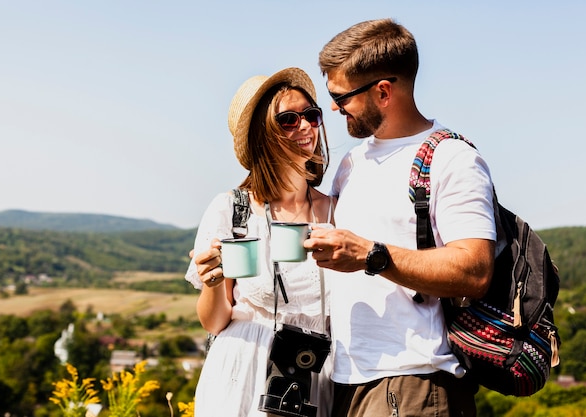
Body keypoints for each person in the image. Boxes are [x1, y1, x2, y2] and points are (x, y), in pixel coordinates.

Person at [303, 19, 497, 417]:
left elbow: (475, 270)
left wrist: (371, 254)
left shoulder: (453, 159)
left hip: (414, 380)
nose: (335, 109)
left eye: (341, 97)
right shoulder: (351, 163)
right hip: (347, 378)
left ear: (383, 92)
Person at [185, 67, 335, 417]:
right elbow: (214, 321)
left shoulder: (335, 211)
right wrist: (213, 282)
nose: (305, 127)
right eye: (288, 120)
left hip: (315, 371)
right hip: (243, 370)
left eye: (311, 116)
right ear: (263, 134)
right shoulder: (235, 212)